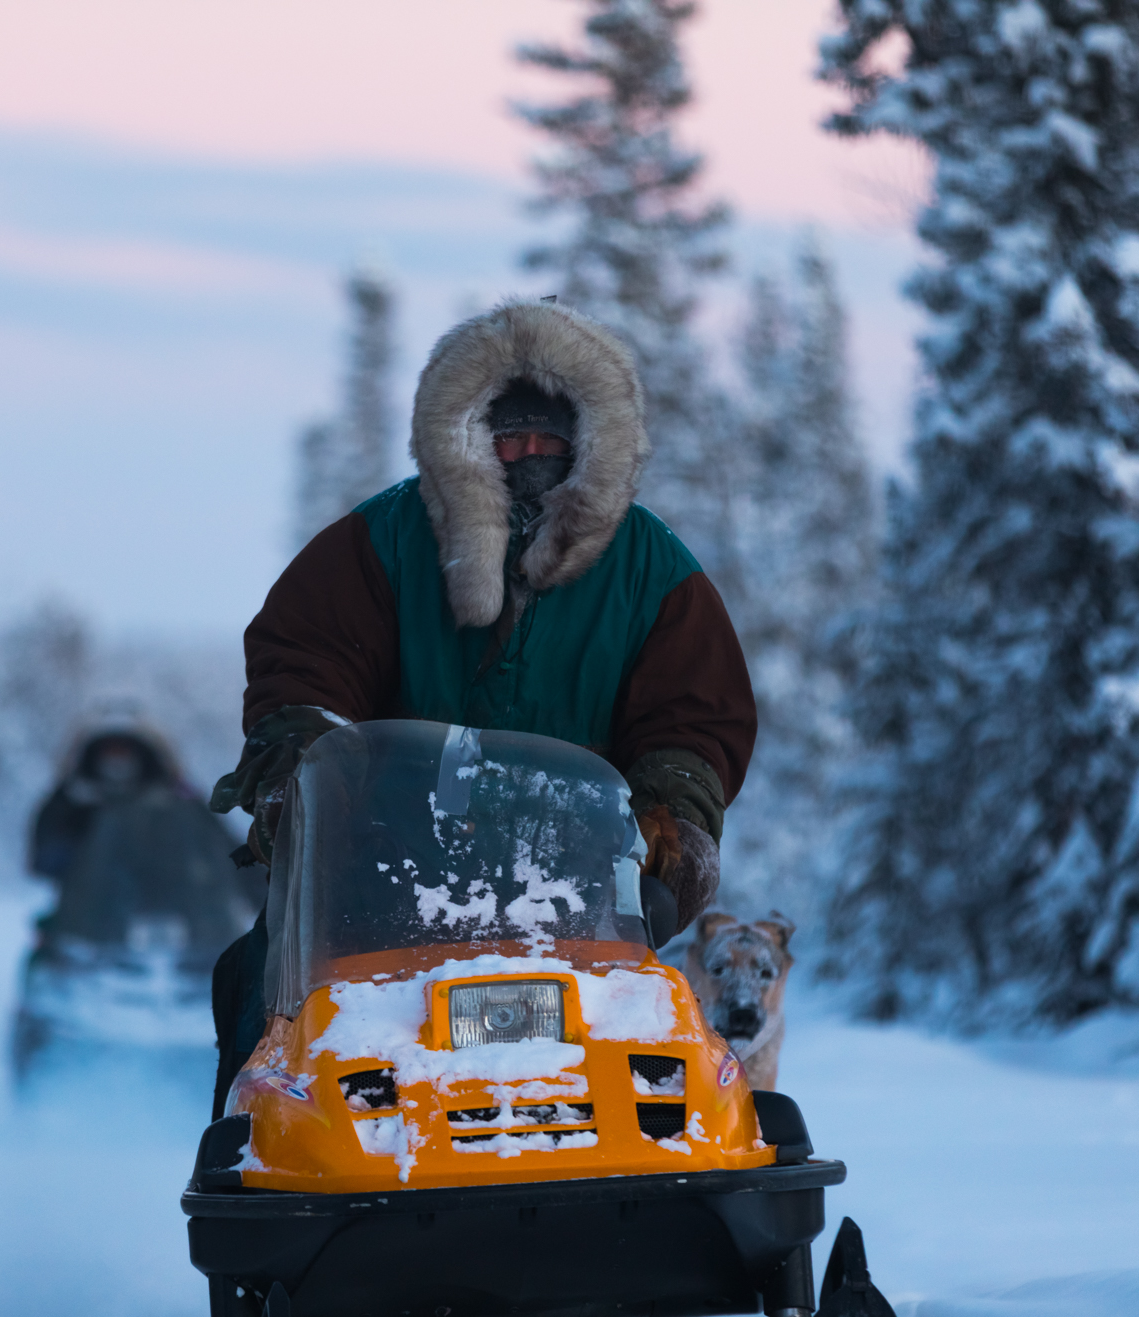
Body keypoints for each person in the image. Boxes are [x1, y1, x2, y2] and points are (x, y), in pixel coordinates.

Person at [208, 298, 757, 1113]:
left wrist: (672, 812)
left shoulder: (651, 568)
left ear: (586, 444)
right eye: (510, 436)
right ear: (464, 440)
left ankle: (691, 1178)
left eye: (549, 438)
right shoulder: (381, 543)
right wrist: (301, 755)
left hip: (578, 892)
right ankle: (247, 1165)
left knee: (669, 1044)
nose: (529, 455)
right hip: (384, 886)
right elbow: (307, 660)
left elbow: (694, 711)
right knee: (255, 989)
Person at [26, 726, 253, 965]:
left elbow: (233, 856)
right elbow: (44, 862)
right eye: (109, 752)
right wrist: (66, 806)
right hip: (93, 942)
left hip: (195, 944)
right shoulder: (76, 805)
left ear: (144, 756)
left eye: (124, 752)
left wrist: (275, 901)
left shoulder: (182, 806)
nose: (117, 761)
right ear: (93, 758)